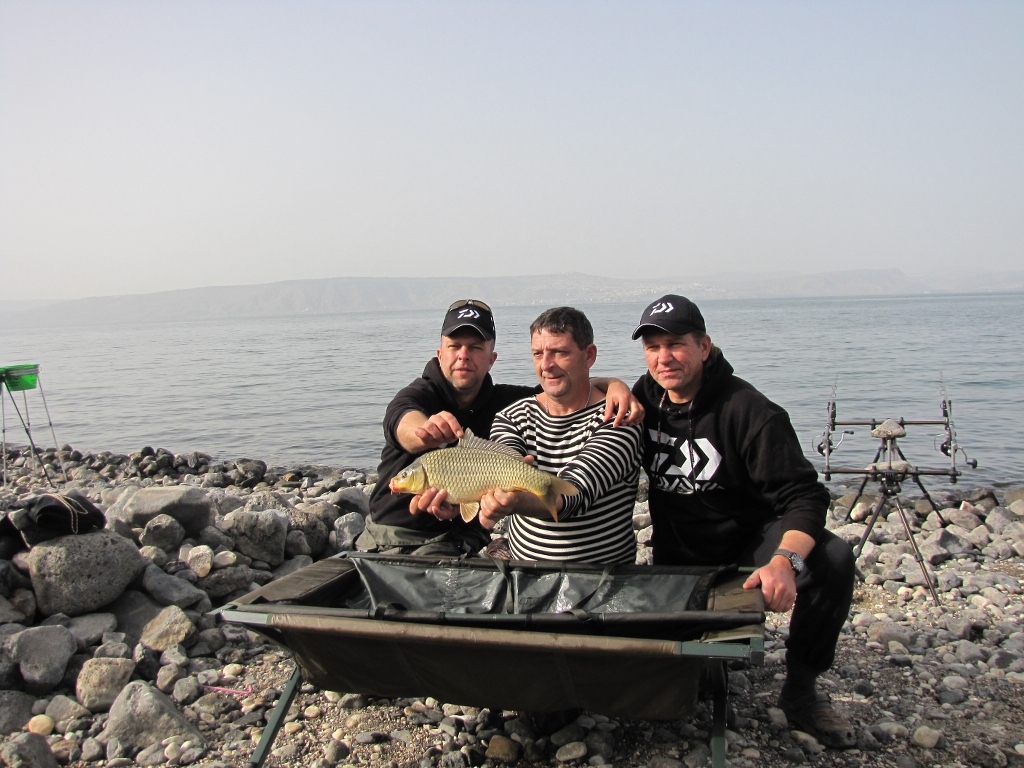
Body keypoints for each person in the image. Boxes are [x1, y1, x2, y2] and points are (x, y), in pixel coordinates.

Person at [630, 294, 856, 749]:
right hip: (678, 556)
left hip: (747, 547)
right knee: (669, 680)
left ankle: (801, 689)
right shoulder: (643, 399)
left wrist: (785, 562)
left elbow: (805, 496)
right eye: (653, 347)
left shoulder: (750, 411)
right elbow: (576, 394)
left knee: (833, 557)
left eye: (675, 344)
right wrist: (609, 384)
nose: (663, 357)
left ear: (704, 346)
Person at [361, 299, 641, 556]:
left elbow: (561, 388)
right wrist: (425, 433)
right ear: (439, 354)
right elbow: (402, 421)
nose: (463, 356)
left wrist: (613, 384)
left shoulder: (611, 415)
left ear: (491, 358)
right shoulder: (423, 395)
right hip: (397, 534)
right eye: (454, 346)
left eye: (475, 347)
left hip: (469, 536)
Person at [472, 306, 643, 564]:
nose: (546, 365)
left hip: (602, 582)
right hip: (526, 578)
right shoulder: (512, 417)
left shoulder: (619, 417)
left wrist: (514, 500)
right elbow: (499, 467)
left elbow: (574, 496)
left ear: (589, 356)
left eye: (559, 353)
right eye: (538, 354)